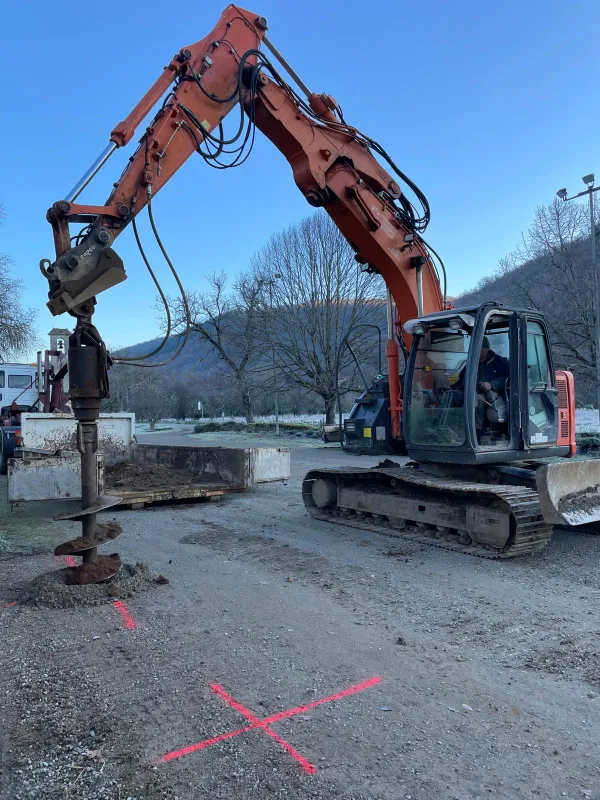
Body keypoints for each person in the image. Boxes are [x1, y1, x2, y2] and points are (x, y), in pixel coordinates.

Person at [445, 336, 510, 433]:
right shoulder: (472, 363)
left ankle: (475, 432)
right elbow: (462, 381)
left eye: (479, 348)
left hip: (492, 394)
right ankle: (446, 427)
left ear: (486, 348)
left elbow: (506, 378)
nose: (476, 351)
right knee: (450, 396)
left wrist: (491, 384)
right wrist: (450, 388)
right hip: (472, 392)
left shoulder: (500, 362)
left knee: (476, 400)